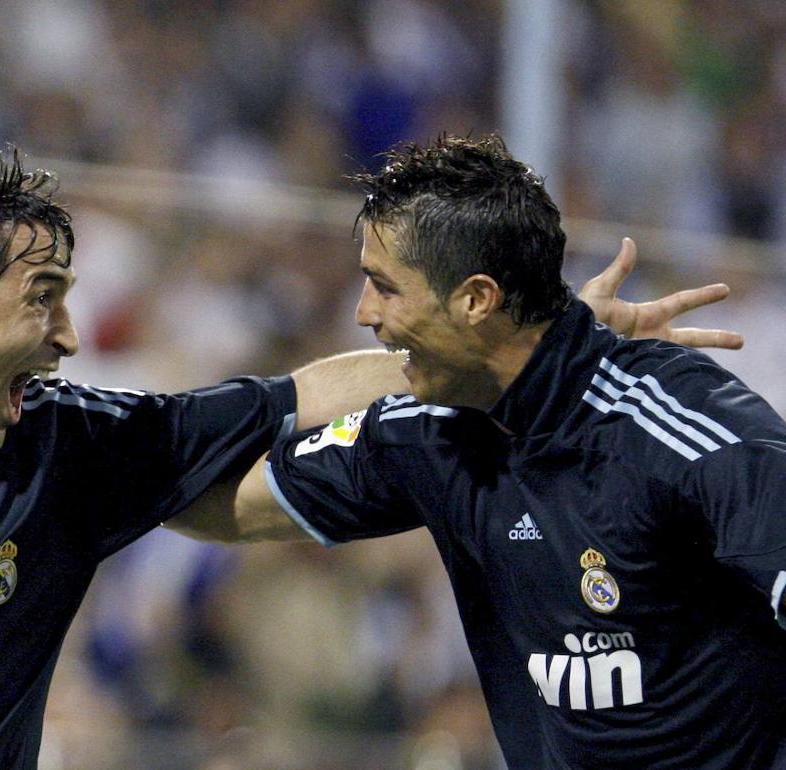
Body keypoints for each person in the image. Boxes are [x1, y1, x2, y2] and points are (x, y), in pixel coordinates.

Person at [0, 145, 739, 769]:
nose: (67, 335)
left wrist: (527, 340)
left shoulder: (73, 446)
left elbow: (292, 397)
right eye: (42, 300)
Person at [229, 135, 786, 768]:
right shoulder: (430, 430)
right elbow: (227, 506)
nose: (362, 314)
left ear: (475, 299)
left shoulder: (673, 426)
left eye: (384, 287)